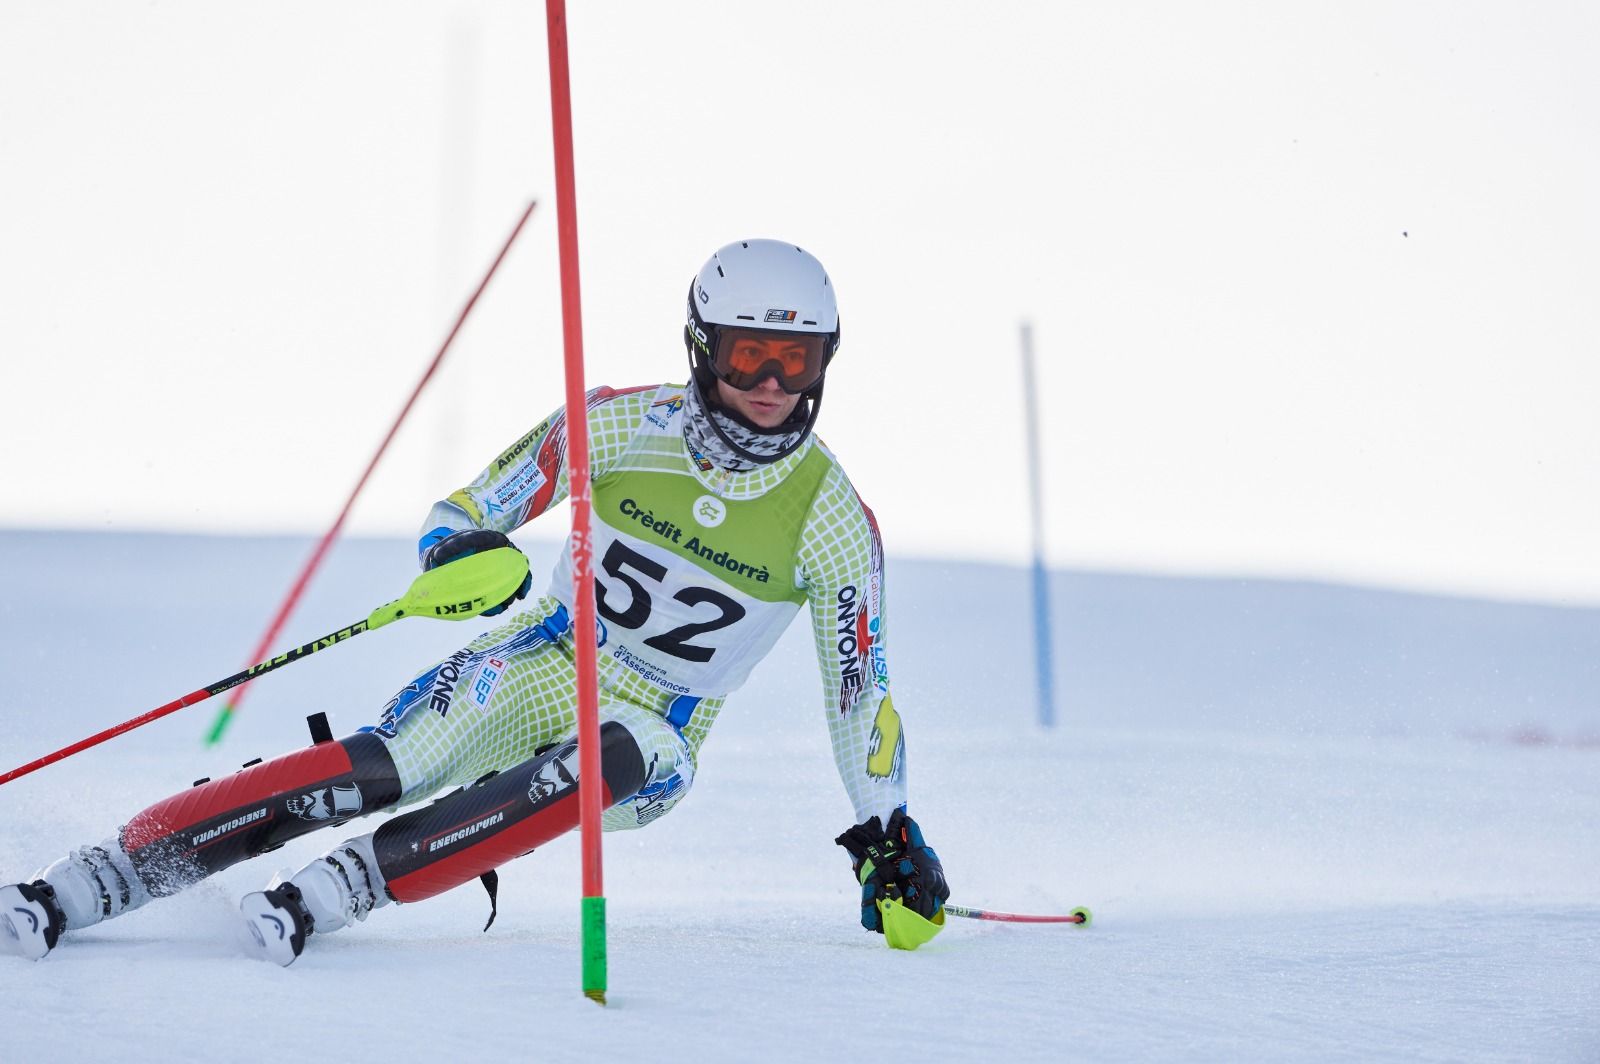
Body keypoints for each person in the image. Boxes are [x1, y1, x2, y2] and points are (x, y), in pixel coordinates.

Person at [0, 238, 949, 966]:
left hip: (662, 727)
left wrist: (888, 828)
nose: (776, 387)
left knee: (607, 758)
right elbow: (466, 508)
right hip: (543, 656)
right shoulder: (620, 424)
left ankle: (345, 889)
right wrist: (461, 549)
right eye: (750, 358)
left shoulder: (830, 518)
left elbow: (859, 693)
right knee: (389, 765)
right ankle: (93, 881)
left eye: (800, 359)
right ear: (703, 349)